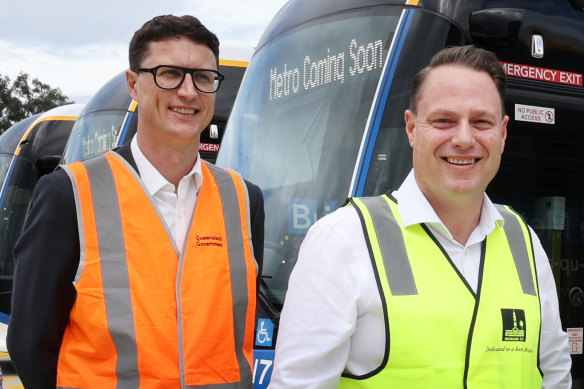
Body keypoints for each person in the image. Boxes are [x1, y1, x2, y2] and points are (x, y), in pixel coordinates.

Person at [268, 45, 571, 388]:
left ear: (502, 134)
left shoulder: (525, 241)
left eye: (481, 122)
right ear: (411, 128)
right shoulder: (343, 240)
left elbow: (555, 375)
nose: (463, 138)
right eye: (444, 120)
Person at [7, 15, 264, 389]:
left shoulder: (244, 199)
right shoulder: (70, 194)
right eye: (170, 73)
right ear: (134, 84)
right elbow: (31, 343)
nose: (189, 92)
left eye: (204, 78)